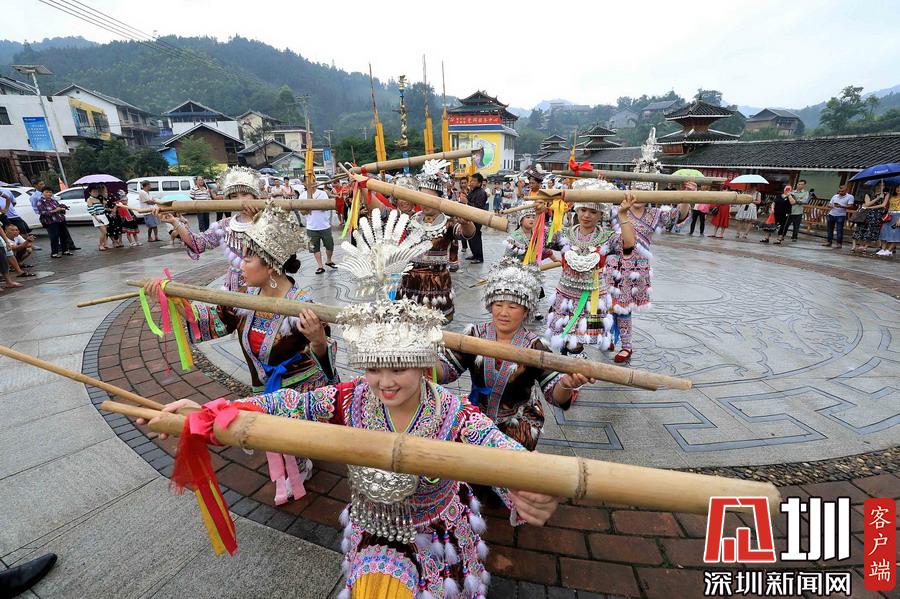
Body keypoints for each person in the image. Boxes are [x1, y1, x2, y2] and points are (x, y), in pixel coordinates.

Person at [143, 240, 559, 597]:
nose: (384, 382)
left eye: (398, 368)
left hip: (436, 535)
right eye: (373, 368)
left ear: (423, 365)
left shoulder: (452, 414)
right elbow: (288, 404)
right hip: (370, 533)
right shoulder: (352, 397)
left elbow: (499, 449)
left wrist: (533, 482)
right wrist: (210, 412)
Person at [145, 202, 335, 506]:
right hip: (263, 389)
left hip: (299, 394)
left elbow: (327, 367)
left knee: (292, 438)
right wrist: (174, 300)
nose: (240, 265)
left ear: (270, 265)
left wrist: (319, 342)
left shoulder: (303, 307)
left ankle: (301, 454)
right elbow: (213, 321)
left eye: (247, 258)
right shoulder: (246, 299)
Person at [438, 258, 590, 450]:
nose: (504, 313)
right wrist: (425, 358)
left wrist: (566, 384)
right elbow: (446, 371)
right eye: (498, 304)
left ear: (526, 310)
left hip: (518, 424)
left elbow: (555, 394)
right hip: (476, 420)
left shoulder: (534, 346)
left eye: (513, 306)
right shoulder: (475, 336)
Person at [545, 178, 637, 354]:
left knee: (578, 342)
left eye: (593, 212)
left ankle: (575, 363)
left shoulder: (607, 237)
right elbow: (542, 241)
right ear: (577, 210)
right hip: (565, 296)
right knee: (564, 338)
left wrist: (623, 215)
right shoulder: (564, 234)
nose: (586, 215)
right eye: (583, 210)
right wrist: (540, 213)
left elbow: (629, 244)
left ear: (601, 214)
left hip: (592, 297)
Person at [605, 201, 684, 363]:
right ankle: (609, 336)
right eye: (637, 189)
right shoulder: (615, 210)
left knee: (625, 307)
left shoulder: (656, 213)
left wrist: (686, 196)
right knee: (608, 305)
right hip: (613, 264)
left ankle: (626, 346)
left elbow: (678, 216)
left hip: (636, 268)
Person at [396, 159, 476, 322]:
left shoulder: (448, 222)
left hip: (436, 284)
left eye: (430, 199)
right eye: (422, 198)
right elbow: (382, 211)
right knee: (408, 324)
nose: (425, 203)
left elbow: (467, 233)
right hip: (409, 281)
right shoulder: (412, 219)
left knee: (434, 327)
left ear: (441, 199)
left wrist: (466, 222)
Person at [165, 167, 264, 291]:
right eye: (234, 196)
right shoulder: (224, 225)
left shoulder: (270, 222)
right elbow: (198, 244)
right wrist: (174, 222)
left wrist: (257, 222)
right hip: (235, 285)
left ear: (255, 196)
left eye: (245, 194)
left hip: (265, 285)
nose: (240, 200)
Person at [301, 182, 336, 274]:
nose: (313, 183)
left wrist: (314, 204)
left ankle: (329, 260)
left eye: (314, 180)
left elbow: (326, 208)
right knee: (314, 248)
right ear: (305, 183)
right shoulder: (302, 195)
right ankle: (320, 266)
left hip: (324, 225)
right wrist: (309, 207)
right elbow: (302, 212)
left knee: (330, 245)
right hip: (311, 227)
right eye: (310, 180)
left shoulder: (322, 193)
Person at [850, 181, 887, 254]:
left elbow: (883, 205)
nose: (880, 187)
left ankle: (865, 247)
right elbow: (867, 204)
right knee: (859, 229)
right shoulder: (868, 194)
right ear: (876, 186)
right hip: (865, 214)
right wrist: (878, 198)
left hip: (876, 214)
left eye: (883, 185)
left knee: (870, 231)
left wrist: (871, 207)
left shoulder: (886, 194)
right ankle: (854, 246)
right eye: (879, 185)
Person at [36, 187, 72, 258]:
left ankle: (65, 250)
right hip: (51, 222)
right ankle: (54, 253)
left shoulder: (54, 201)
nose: (49, 194)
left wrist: (62, 209)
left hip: (60, 220)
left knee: (64, 235)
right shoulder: (41, 202)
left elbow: (59, 209)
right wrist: (55, 210)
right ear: (42, 193)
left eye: (50, 192)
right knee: (54, 237)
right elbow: (42, 212)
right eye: (46, 192)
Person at [822, 185, 854, 249]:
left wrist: (841, 206)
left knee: (839, 230)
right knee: (829, 229)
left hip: (841, 215)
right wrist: (830, 206)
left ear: (846, 190)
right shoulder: (835, 196)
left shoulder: (850, 197)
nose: (840, 192)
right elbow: (829, 204)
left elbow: (851, 206)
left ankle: (839, 244)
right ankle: (829, 242)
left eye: (842, 191)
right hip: (831, 214)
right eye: (839, 191)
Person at [465, 173, 487, 263]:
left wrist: (467, 202)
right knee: (471, 237)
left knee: (476, 237)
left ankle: (479, 257)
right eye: (471, 180)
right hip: (470, 217)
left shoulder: (481, 193)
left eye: (474, 181)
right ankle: (474, 254)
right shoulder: (472, 191)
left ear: (479, 183)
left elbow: (478, 207)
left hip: (477, 218)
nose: (471, 182)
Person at [85, 184, 111, 251]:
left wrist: (104, 203)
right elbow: (91, 210)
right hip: (97, 216)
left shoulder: (99, 198)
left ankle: (105, 244)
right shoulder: (89, 199)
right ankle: (100, 245)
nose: (95, 193)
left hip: (103, 215)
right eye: (94, 192)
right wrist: (96, 218)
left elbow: (103, 208)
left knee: (105, 232)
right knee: (104, 232)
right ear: (90, 192)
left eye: (96, 191)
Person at [877, 184, 900, 257]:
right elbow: (885, 205)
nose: (898, 189)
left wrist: (899, 219)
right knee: (884, 231)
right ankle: (883, 249)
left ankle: (889, 250)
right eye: (897, 187)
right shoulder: (891, 197)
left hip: (898, 216)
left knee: (895, 234)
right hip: (889, 216)